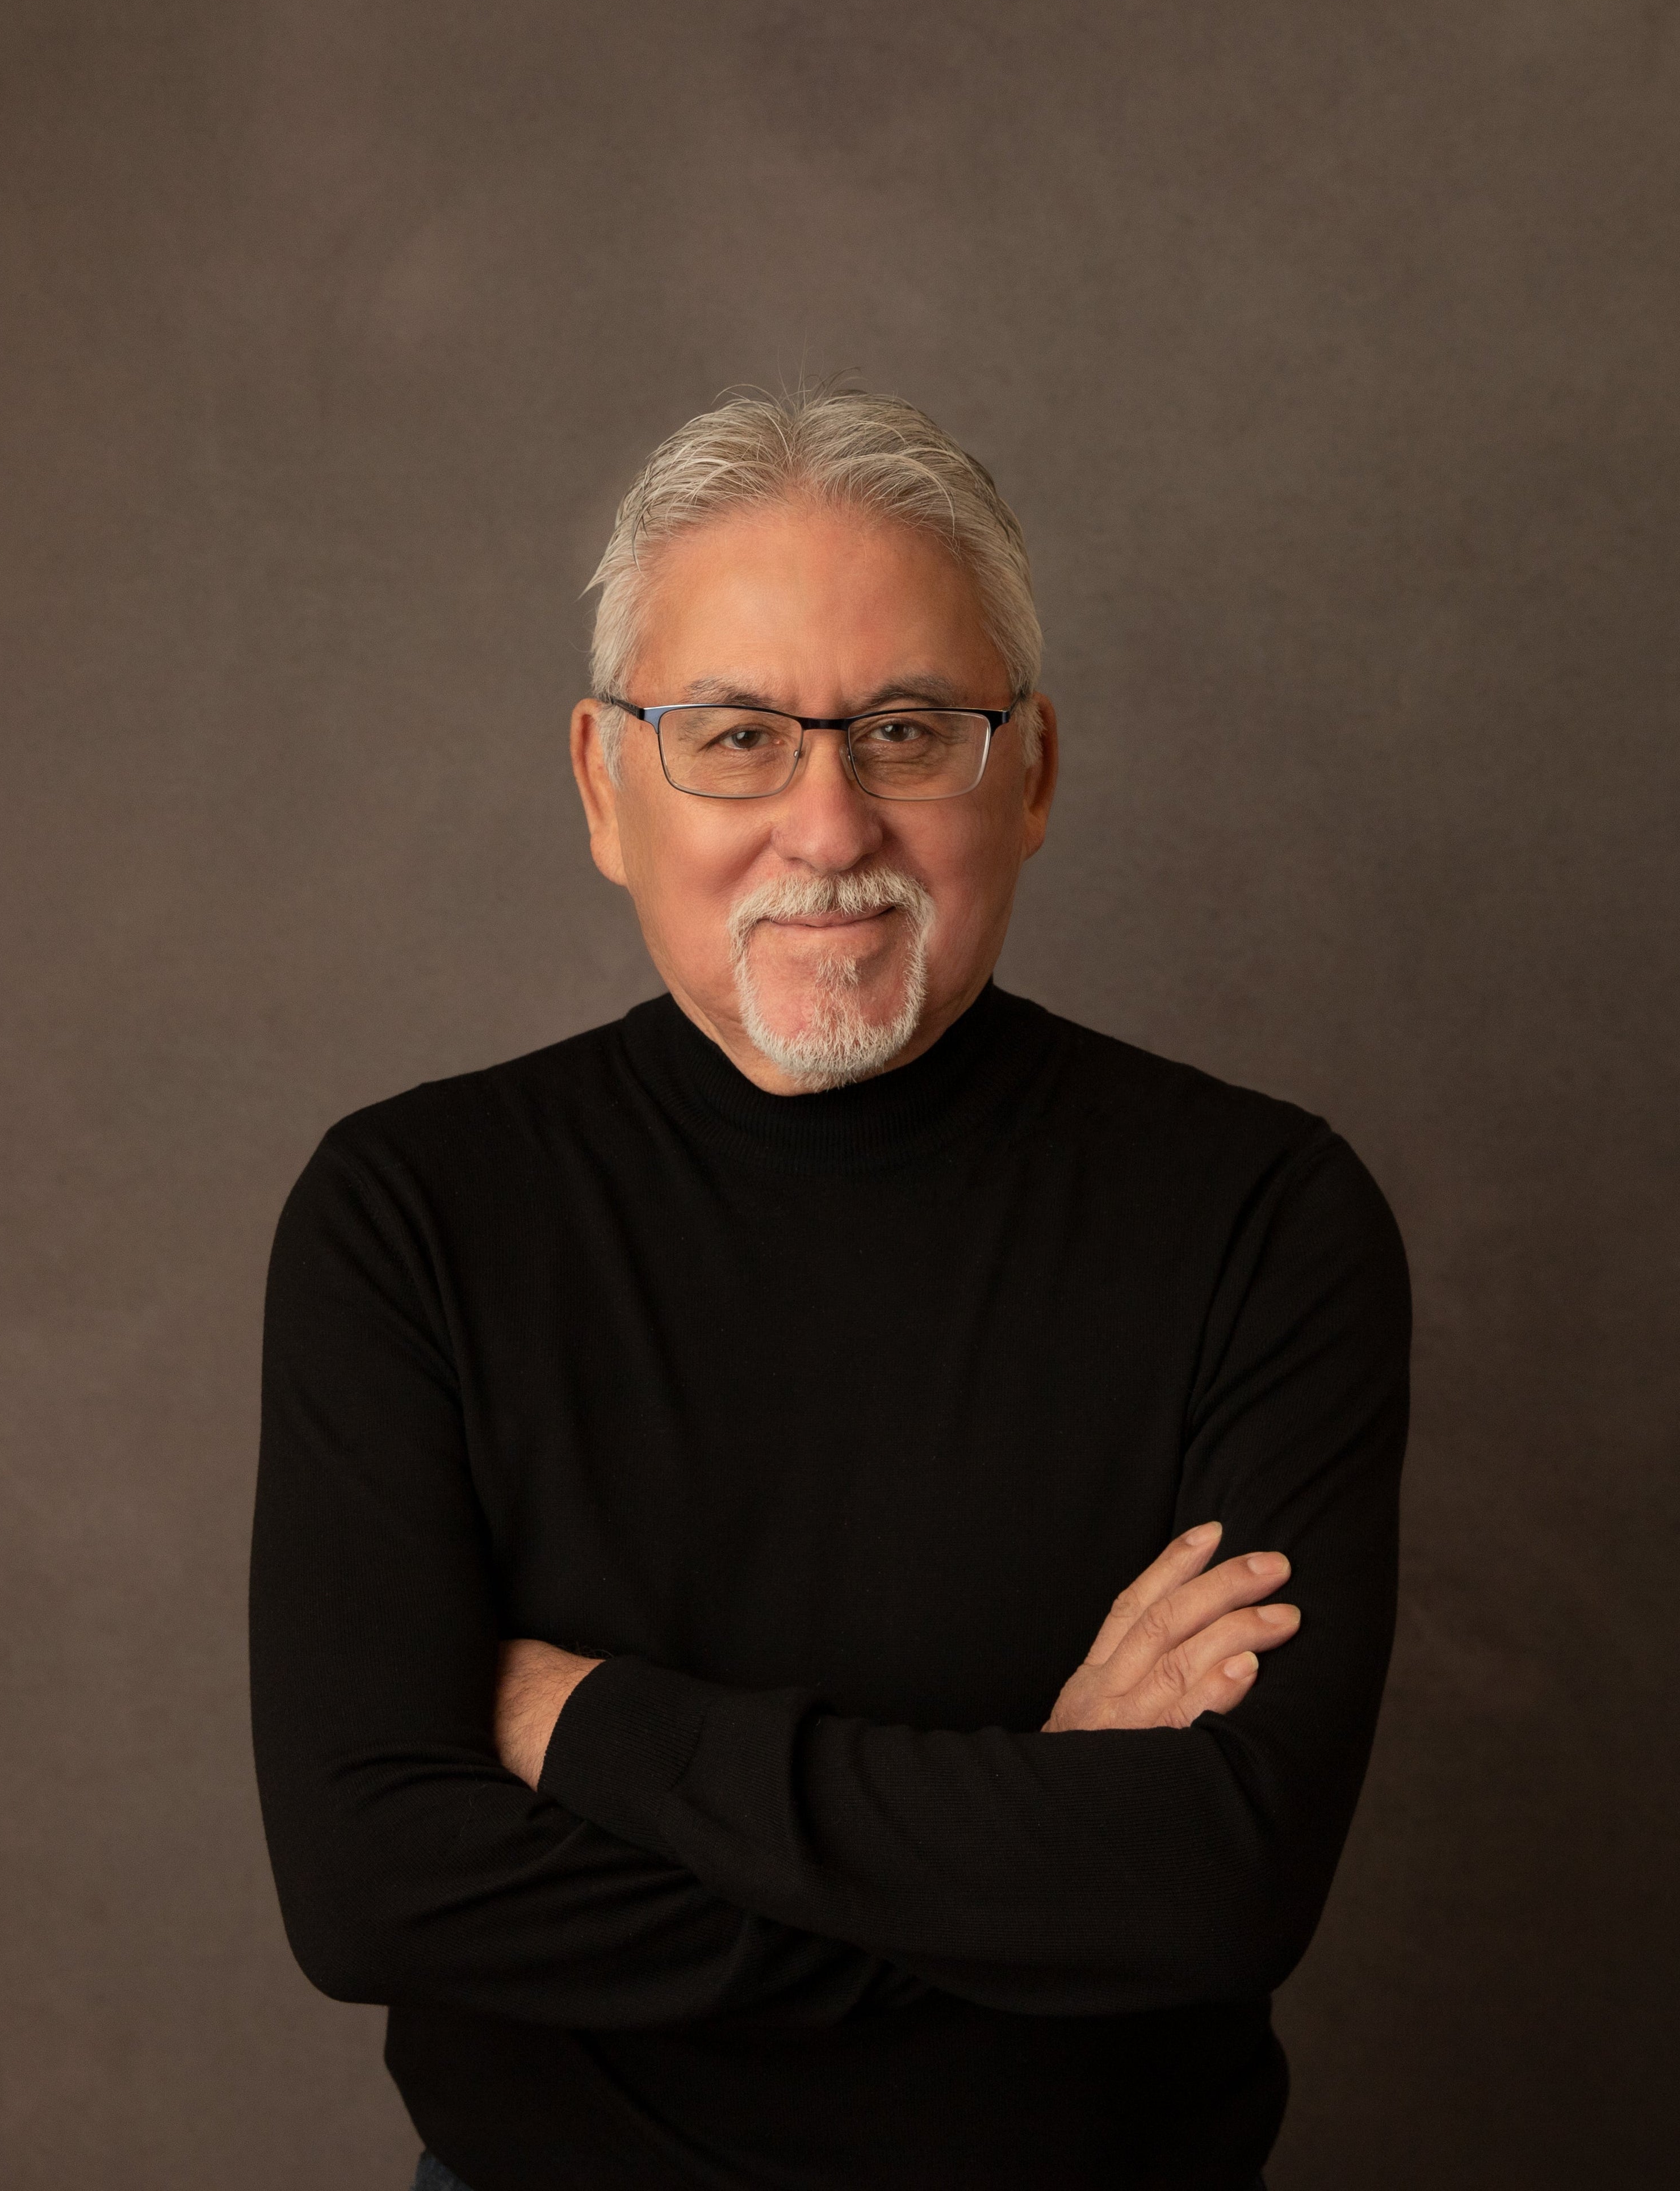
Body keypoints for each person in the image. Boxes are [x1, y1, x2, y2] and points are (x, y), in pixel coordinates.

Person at [250, 388, 1410, 2191]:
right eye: (733, 736)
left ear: (1028, 775)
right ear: (602, 784)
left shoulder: (1263, 1216)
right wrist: (1022, 1846)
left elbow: (1210, 1885)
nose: (826, 819)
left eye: (906, 728)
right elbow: (373, 1889)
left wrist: (591, 1725)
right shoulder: (413, 1213)